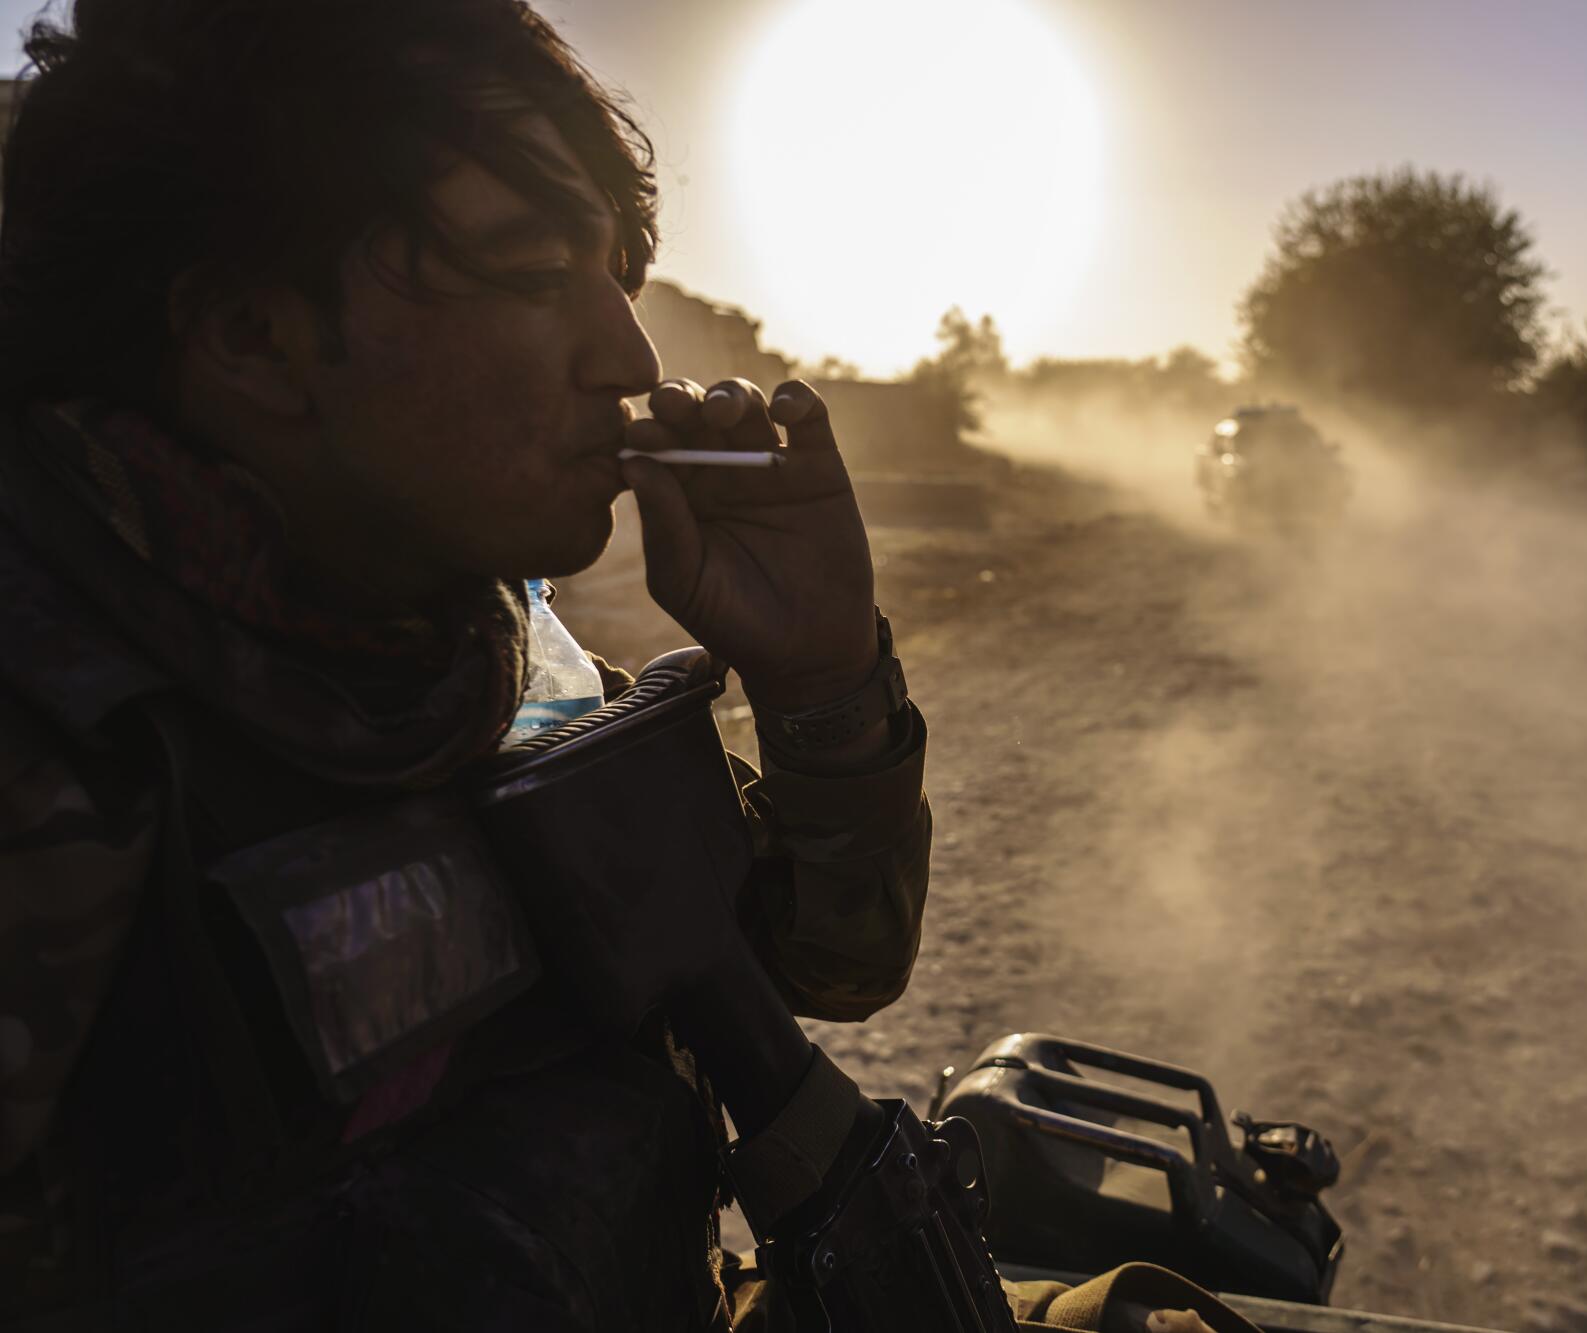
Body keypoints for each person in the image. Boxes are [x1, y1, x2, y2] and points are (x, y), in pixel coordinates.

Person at [0, 1, 930, 1326]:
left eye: (616, 270)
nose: (629, 357)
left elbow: (828, 967)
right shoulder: (51, 756)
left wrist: (821, 678)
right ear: (253, 335)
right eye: (535, 269)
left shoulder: (480, 651)